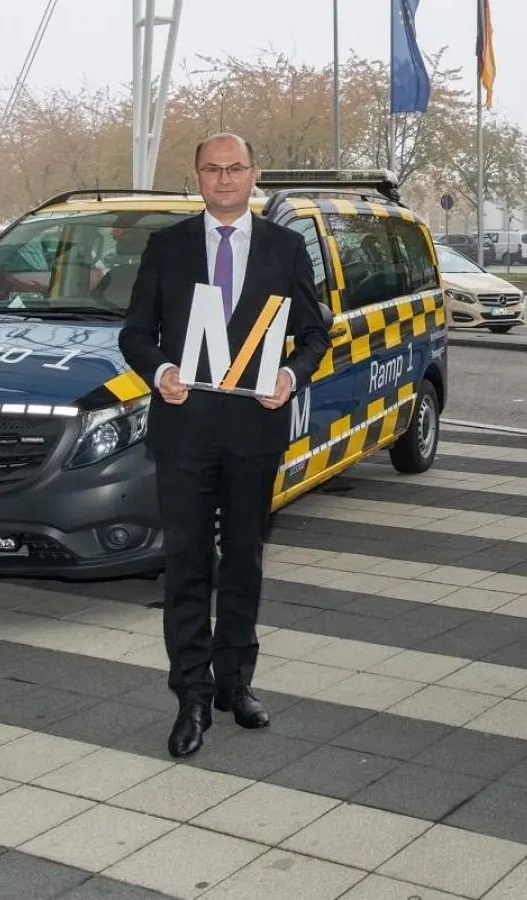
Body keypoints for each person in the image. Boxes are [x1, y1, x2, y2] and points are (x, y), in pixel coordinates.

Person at [119, 133, 329, 758]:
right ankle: (190, 693)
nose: (224, 178)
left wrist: (291, 376)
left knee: (244, 559)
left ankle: (235, 682)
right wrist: (159, 372)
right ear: (198, 176)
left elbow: (315, 333)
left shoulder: (286, 248)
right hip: (184, 430)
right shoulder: (167, 246)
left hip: (253, 432)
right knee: (186, 564)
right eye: (212, 168)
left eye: (235, 168)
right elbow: (135, 333)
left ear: (253, 174)